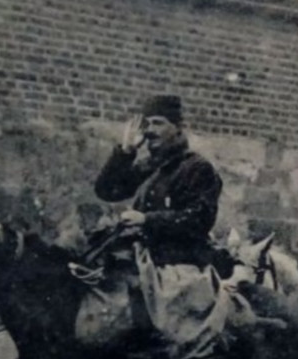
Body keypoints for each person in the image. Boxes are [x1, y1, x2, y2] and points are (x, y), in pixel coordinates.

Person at [92, 94, 222, 268]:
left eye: (158, 123)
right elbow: (107, 191)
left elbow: (199, 220)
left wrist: (146, 219)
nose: (150, 130)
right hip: (143, 258)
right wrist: (126, 152)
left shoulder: (196, 168)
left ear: (178, 128)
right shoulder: (149, 166)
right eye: (147, 124)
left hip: (180, 264)